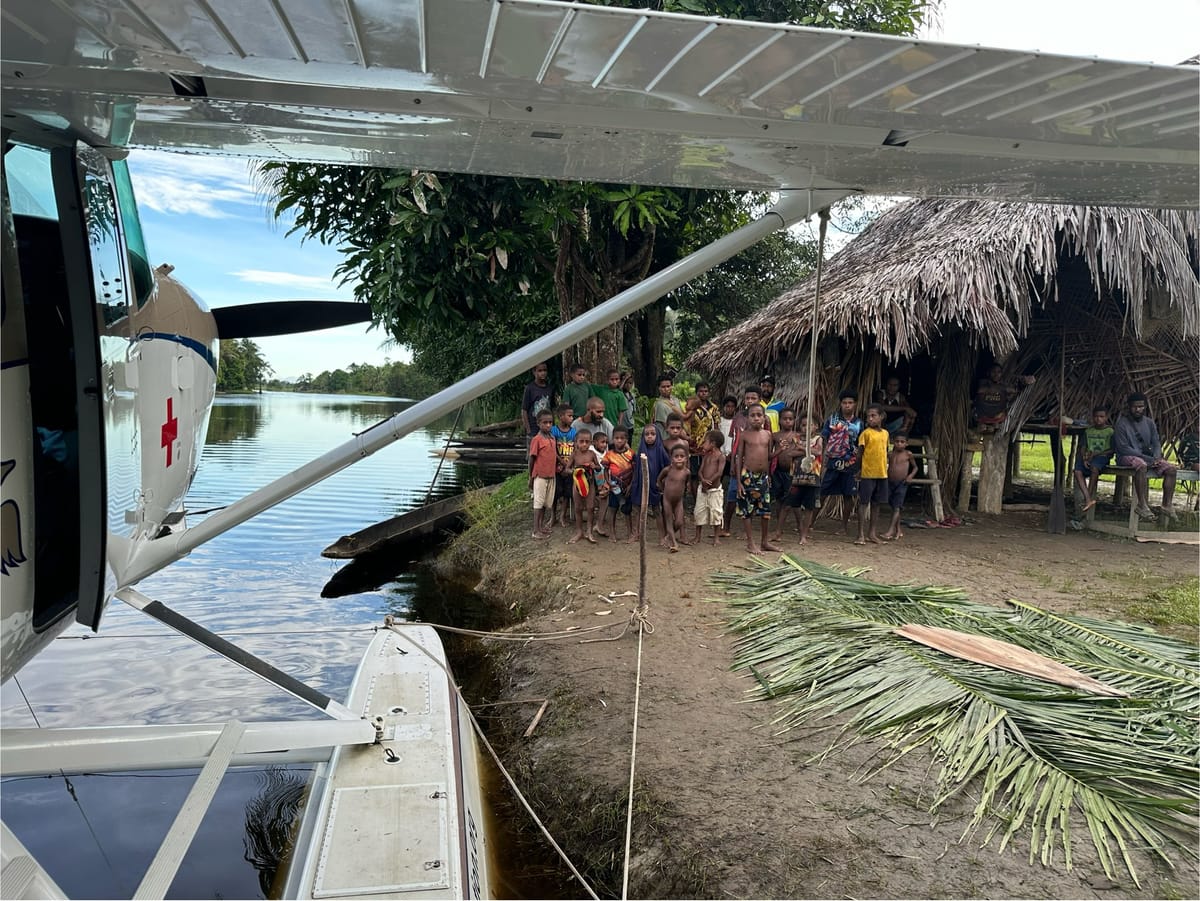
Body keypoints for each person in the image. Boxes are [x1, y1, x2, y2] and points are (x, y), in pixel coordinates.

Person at [1113, 392, 1178, 519]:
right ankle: (1142, 505)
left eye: (1140, 406)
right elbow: (1124, 448)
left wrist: (1157, 457)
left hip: (1149, 458)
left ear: (1144, 407)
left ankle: (1167, 504)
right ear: (1129, 407)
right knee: (1141, 465)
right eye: (1134, 407)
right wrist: (1149, 459)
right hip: (1126, 457)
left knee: (1171, 469)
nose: (1137, 409)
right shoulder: (1121, 424)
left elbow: (1156, 442)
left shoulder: (1149, 423)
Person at [734, 405, 779, 556]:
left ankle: (764, 541)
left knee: (765, 510)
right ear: (747, 418)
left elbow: (769, 457)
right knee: (747, 510)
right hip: (748, 476)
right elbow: (739, 457)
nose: (756, 418)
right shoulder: (744, 435)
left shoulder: (768, 434)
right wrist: (739, 481)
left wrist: (780, 450)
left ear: (764, 417)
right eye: (752, 415)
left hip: (764, 477)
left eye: (759, 415)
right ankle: (750, 542)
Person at [820, 390, 864, 534]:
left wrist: (859, 466)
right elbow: (824, 437)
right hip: (833, 462)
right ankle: (810, 523)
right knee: (822, 492)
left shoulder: (859, 423)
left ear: (855, 404)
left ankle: (843, 527)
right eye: (844, 403)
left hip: (850, 464)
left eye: (850, 403)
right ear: (840, 404)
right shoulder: (832, 419)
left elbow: (861, 444)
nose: (847, 405)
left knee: (848, 496)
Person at [629, 423, 670, 544]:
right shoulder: (641, 450)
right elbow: (636, 469)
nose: (650, 437)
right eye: (647, 434)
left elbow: (668, 467)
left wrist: (661, 481)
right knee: (638, 509)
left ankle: (662, 536)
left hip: (654, 486)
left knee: (657, 510)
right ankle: (636, 533)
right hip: (641, 485)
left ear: (657, 436)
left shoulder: (661, 450)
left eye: (653, 434)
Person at [855, 404, 889, 545]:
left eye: (873, 416)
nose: (870, 419)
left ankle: (872, 533)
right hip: (867, 473)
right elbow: (860, 454)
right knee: (864, 503)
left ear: (881, 417)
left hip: (881, 474)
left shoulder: (885, 433)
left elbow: (885, 452)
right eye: (868, 416)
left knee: (876, 504)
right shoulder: (865, 433)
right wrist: (858, 470)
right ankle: (861, 534)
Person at [1074, 406, 1114, 513]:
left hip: (1102, 457)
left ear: (1106, 417)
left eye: (1101, 417)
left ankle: (1089, 494)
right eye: (1096, 417)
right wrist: (1084, 458)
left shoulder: (1110, 431)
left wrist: (1098, 453)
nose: (1098, 419)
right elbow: (1083, 447)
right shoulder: (1088, 431)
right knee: (1077, 471)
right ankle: (1087, 498)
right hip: (1089, 456)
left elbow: (1112, 450)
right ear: (1092, 417)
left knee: (1094, 468)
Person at [770, 408, 802, 538]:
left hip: (791, 472)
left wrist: (792, 453)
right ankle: (779, 526)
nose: (787, 421)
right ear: (780, 420)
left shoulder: (797, 436)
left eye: (790, 419)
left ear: (794, 421)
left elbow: (803, 451)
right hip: (777, 471)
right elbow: (770, 453)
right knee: (778, 499)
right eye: (785, 419)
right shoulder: (775, 436)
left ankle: (800, 527)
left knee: (793, 500)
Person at [974, 364, 1035, 433]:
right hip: (982, 418)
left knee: (995, 429)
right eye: (993, 372)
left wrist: (1024, 382)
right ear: (988, 373)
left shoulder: (1003, 387)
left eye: (998, 372)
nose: (996, 374)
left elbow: (1015, 390)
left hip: (997, 419)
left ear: (1001, 374)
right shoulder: (982, 383)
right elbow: (981, 390)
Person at [684, 382, 720, 498]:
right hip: (694, 447)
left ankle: (708, 497)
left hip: (709, 446)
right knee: (694, 475)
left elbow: (717, 426)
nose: (703, 393)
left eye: (705, 391)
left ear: (709, 393)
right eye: (700, 391)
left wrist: (717, 444)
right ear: (696, 392)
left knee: (709, 472)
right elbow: (686, 424)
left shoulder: (714, 408)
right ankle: (696, 500)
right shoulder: (691, 407)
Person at [693, 429, 726, 546]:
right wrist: (702, 480)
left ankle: (716, 537)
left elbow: (719, 473)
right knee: (699, 511)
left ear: (713, 443)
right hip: (703, 488)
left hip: (715, 490)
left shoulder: (721, 457)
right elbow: (700, 470)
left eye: (705, 442)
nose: (703, 444)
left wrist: (709, 482)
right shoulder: (706, 456)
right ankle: (697, 536)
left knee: (716, 512)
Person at [880, 432, 916, 541]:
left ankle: (890, 531)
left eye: (902, 442)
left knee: (897, 507)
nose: (899, 444)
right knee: (894, 506)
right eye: (897, 441)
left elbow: (915, 468)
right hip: (890, 482)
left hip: (902, 483)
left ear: (906, 444)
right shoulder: (890, 454)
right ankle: (898, 529)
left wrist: (910, 476)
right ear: (893, 442)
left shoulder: (908, 454)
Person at [601, 426, 635, 541]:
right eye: (616, 438)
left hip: (627, 487)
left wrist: (631, 485)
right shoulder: (609, 454)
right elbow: (605, 470)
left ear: (626, 439)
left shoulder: (631, 454)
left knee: (627, 511)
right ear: (612, 439)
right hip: (614, 486)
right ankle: (612, 532)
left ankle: (630, 533)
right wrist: (608, 482)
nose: (619, 440)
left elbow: (635, 471)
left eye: (622, 438)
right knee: (613, 509)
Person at [527, 410, 557, 539]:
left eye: (550, 422)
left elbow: (554, 455)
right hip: (540, 476)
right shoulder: (537, 439)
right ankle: (535, 530)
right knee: (538, 503)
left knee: (546, 503)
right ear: (539, 424)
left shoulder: (552, 438)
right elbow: (531, 459)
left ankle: (541, 526)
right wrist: (531, 477)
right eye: (545, 423)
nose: (548, 425)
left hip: (551, 475)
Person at [567, 429, 601, 544]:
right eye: (581, 441)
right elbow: (567, 468)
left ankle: (589, 531)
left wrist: (593, 466)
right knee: (577, 508)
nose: (584, 444)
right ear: (576, 442)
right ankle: (579, 531)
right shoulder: (574, 454)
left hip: (590, 484)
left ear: (591, 442)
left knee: (591, 507)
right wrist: (574, 471)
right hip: (577, 485)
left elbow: (599, 468)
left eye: (587, 442)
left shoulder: (592, 454)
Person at [657, 445, 692, 551]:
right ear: (671, 458)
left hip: (678, 501)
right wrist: (663, 490)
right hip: (667, 500)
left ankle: (668, 537)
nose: (679, 458)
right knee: (668, 521)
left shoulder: (687, 472)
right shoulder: (667, 470)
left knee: (679, 522)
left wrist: (688, 487)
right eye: (676, 456)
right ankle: (674, 543)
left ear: (686, 458)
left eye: (682, 456)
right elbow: (659, 480)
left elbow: (687, 482)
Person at [550, 404, 577, 528]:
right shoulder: (553, 431)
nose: (572, 418)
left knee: (567, 493)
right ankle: (552, 517)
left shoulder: (573, 432)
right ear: (561, 417)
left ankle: (562, 517)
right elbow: (552, 450)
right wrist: (562, 463)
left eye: (572, 415)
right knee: (555, 493)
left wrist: (569, 465)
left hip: (569, 469)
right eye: (569, 415)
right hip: (557, 468)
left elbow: (575, 450)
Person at [521, 362, 555, 440]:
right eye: (540, 371)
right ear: (534, 372)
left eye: (544, 370)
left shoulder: (550, 388)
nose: (543, 373)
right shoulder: (530, 388)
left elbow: (552, 409)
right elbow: (524, 410)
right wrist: (529, 430)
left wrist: (552, 427)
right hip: (534, 429)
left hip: (547, 428)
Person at [593, 369, 630, 434]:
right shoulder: (602, 390)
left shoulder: (619, 394)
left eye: (616, 379)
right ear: (607, 380)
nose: (614, 381)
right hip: (600, 421)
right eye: (612, 379)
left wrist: (619, 423)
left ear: (619, 380)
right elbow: (589, 386)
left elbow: (621, 410)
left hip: (614, 421)